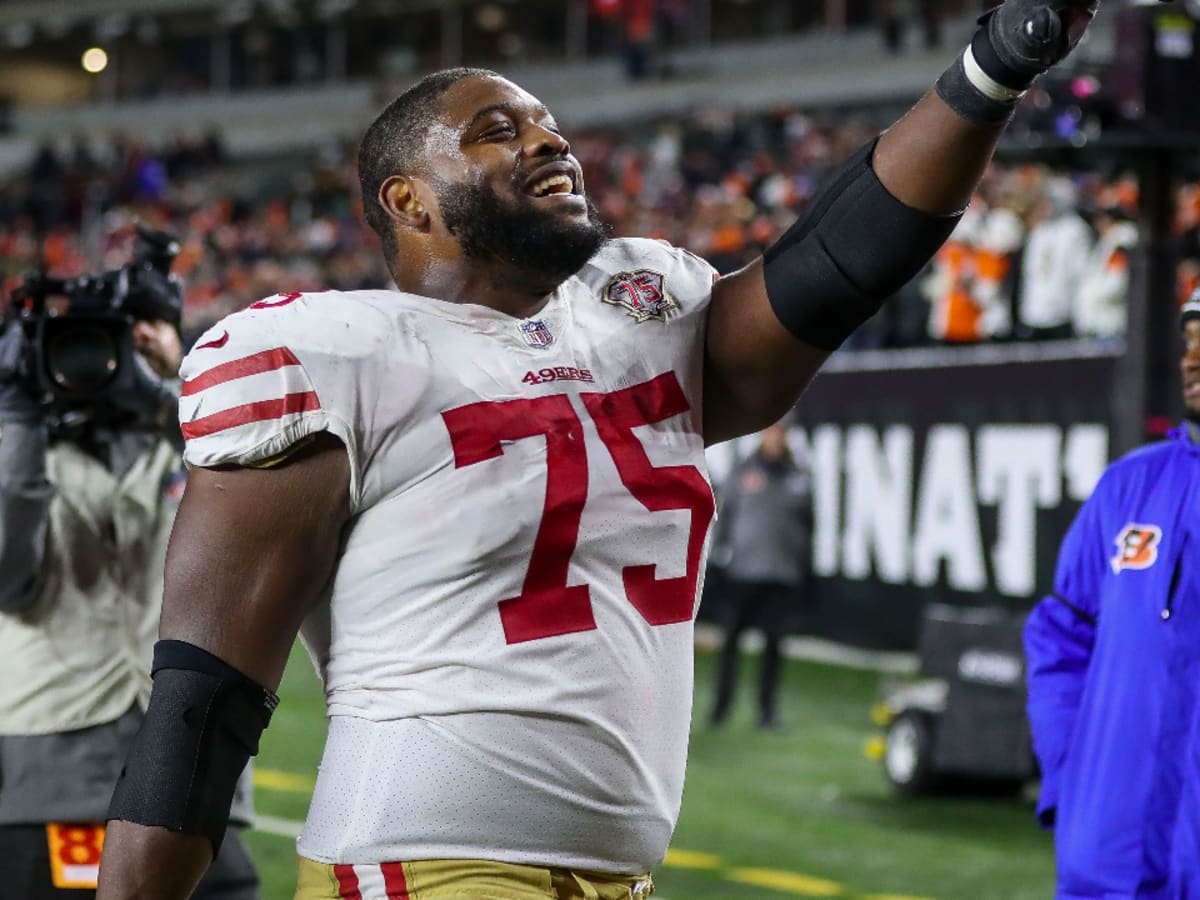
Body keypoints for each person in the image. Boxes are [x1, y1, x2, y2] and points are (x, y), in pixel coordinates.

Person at [97, 3, 1100, 896]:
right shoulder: (327, 352)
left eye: (552, 125)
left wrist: (991, 67)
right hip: (421, 863)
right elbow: (205, 699)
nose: (549, 143)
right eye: (499, 131)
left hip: (615, 877)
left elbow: (834, 267)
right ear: (407, 202)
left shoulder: (636, 311)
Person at [0, 254, 259, 898]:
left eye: (137, 330)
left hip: (197, 752)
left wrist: (165, 395)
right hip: (53, 758)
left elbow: (268, 509)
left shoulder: (211, 436)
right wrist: (18, 421)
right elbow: (8, 579)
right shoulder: (16, 442)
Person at [1024, 288, 1200, 898]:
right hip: (1104, 860)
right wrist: (1072, 781)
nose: (1192, 360)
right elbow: (1061, 637)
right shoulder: (1129, 483)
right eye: (1189, 341)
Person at [709, 421, 813, 730]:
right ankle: (721, 708)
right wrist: (721, 557)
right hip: (743, 572)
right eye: (771, 431)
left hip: (781, 575)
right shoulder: (743, 471)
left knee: (773, 648)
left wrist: (803, 567)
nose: (775, 438)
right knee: (730, 645)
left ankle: (767, 712)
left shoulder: (799, 478)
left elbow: (809, 527)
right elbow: (723, 518)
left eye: (781, 433)